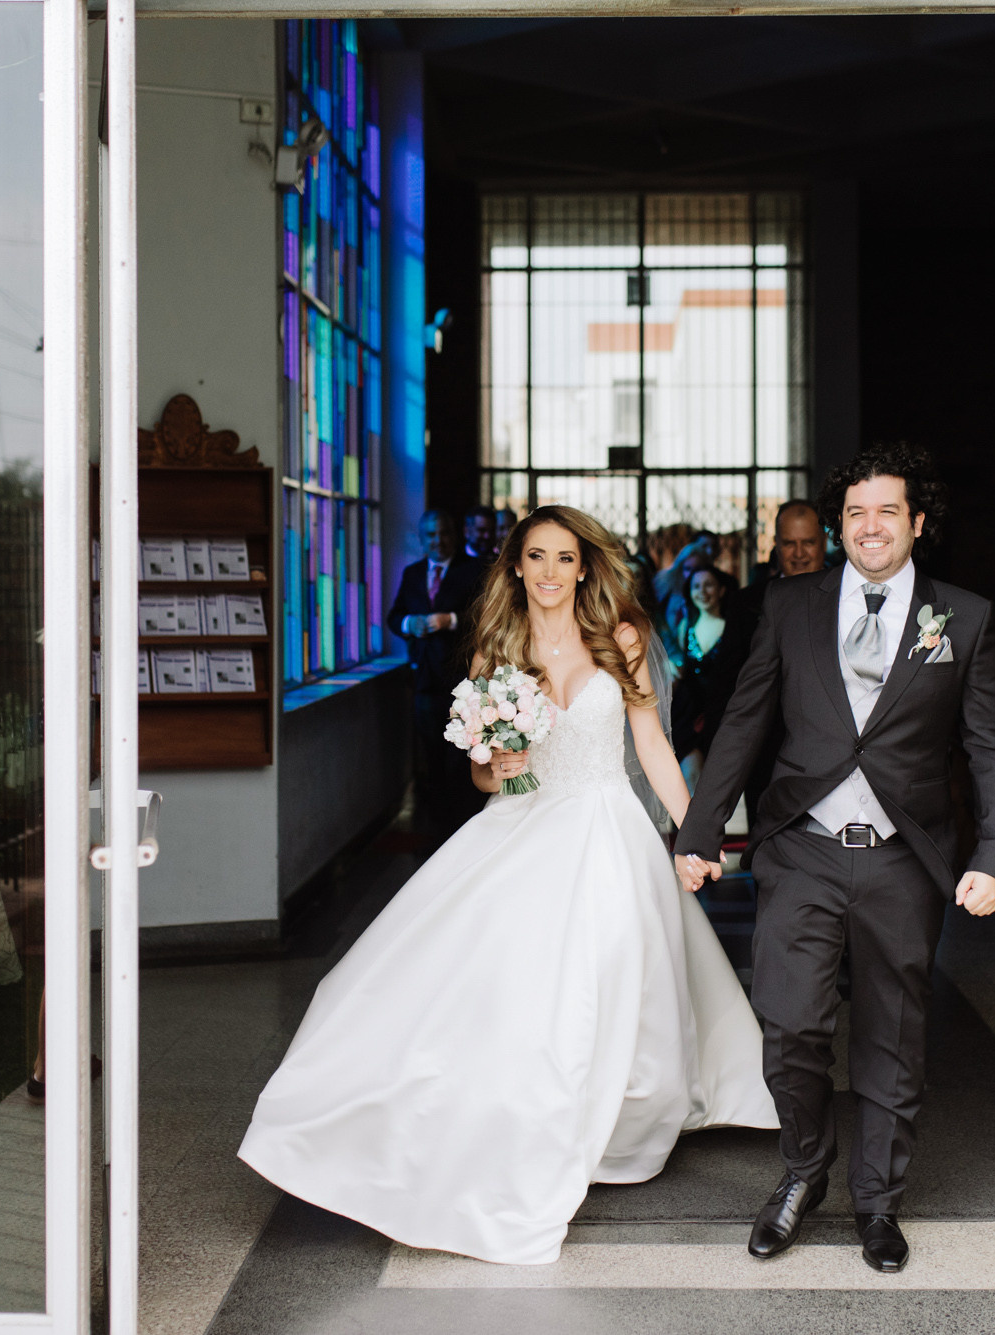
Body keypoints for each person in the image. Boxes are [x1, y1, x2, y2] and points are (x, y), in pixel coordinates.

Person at [241, 506, 776, 1265]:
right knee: (506, 981)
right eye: (537, 557)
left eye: (565, 557)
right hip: (522, 824)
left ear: (585, 566)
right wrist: (499, 760)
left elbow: (652, 745)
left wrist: (697, 833)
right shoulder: (499, 647)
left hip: (605, 829)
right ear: (517, 566)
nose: (552, 571)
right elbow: (481, 770)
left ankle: (614, 1123)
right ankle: (519, 1116)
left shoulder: (622, 637)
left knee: (609, 975)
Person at [672, 443, 995, 1275]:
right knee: (789, 1024)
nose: (871, 526)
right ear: (839, 524)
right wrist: (699, 830)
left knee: (893, 1038)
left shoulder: (962, 618)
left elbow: (990, 747)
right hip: (803, 849)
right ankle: (803, 1170)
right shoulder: (791, 606)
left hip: (904, 859)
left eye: (888, 511)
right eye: (856, 512)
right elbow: (745, 723)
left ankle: (878, 1201)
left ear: (918, 522)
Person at [386, 511, 488, 839]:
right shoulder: (413, 573)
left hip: (461, 683)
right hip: (424, 684)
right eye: (430, 535)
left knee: (460, 762)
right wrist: (409, 625)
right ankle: (434, 834)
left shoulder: (472, 570)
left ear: (454, 535)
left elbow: (484, 616)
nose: (437, 541)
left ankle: (464, 831)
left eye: (442, 534)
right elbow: (394, 617)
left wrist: (452, 620)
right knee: (429, 761)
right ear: (421, 538)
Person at [729, 499, 831, 825]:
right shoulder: (746, 604)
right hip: (765, 758)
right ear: (776, 545)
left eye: (808, 543)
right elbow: (727, 687)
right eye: (790, 543)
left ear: (824, 542)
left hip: (832, 759)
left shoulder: (852, 600)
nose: (799, 553)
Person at [672, 567, 746, 791]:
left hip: (721, 713)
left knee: (715, 785)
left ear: (722, 590)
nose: (702, 591)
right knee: (690, 776)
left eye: (708, 585)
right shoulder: (686, 627)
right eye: (696, 586)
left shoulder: (734, 628)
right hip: (688, 713)